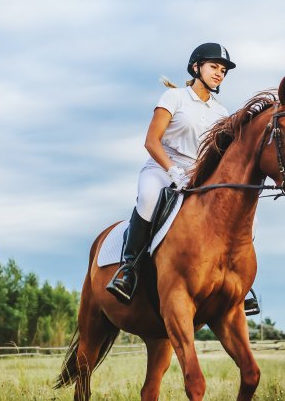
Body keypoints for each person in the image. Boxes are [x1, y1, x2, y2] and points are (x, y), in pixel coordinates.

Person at [107, 42, 259, 315]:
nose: (219, 74)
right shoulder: (174, 98)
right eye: (214, 67)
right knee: (150, 198)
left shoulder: (221, 113)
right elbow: (151, 141)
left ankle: (238, 281)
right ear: (196, 67)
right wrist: (172, 171)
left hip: (199, 176)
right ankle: (128, 269)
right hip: (162, 167)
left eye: (223, 70)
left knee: (245, 215)